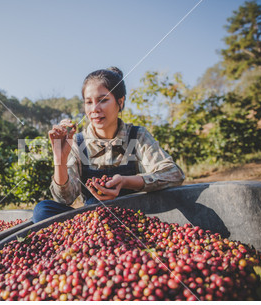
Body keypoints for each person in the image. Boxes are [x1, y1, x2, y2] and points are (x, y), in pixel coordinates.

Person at [32, 67, 185, 223]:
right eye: (89, 102)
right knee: (43, 210)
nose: (95, 109)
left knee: (95, 204)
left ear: (120, 102)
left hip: (134, 218)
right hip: (93, 221)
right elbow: (65, 199)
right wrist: (60, 160)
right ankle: (88, 237)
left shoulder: (137, 136)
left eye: (103, 100)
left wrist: (126, 181)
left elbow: (173, 174)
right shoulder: (77, 142)